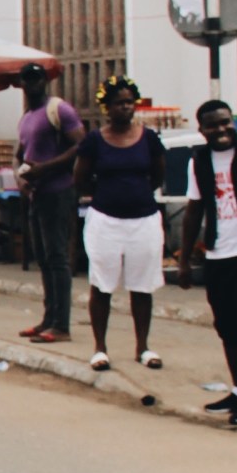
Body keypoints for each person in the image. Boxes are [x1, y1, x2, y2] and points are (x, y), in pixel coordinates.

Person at [74, 75, 166, 371]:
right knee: (102, 284)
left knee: (142, 286)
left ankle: (144, 347)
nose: (125, 108)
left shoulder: (149, 139)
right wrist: (104, 195)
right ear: (107, 107)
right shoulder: (94, 141)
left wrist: (136, 194)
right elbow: (80, 177)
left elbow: (158, 175)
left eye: (129, 102)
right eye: (119, 103)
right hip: (106, 221)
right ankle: (100, 348)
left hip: (144, 220)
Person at [179, 98, 237, 425]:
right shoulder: (199, 162)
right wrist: (183, 259)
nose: (221, 129)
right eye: (213, 125)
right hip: (218, 255)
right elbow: (194, 210)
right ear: (202, 130)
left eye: (226, 122)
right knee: (227, 328)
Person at [13, 64, 82, 343]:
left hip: (58, 191)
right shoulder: (27, 117)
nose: (32, 84)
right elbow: (20, 154)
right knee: (43, 258)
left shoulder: (59, 110)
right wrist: (23, 179)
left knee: (57, 259)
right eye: (27, 79)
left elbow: (80, 144)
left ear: (45, 80)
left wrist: (46, 168)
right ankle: (49, 317)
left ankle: (62, 325)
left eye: (37, 78)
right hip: (36, 194)